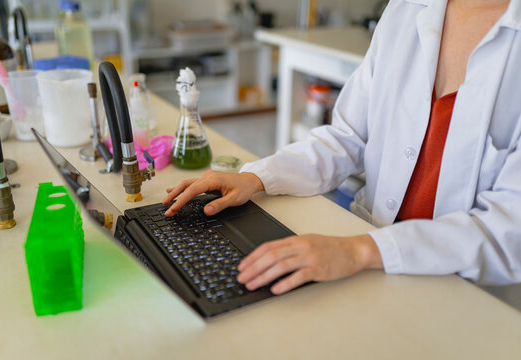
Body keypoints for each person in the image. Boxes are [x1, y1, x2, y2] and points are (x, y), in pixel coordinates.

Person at [163, 0, 521, 295]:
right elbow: (347, 137)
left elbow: (509, 233)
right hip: (367, 260)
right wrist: (255, 177)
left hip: (461, 290)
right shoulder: (407, 9)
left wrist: (359, 250)